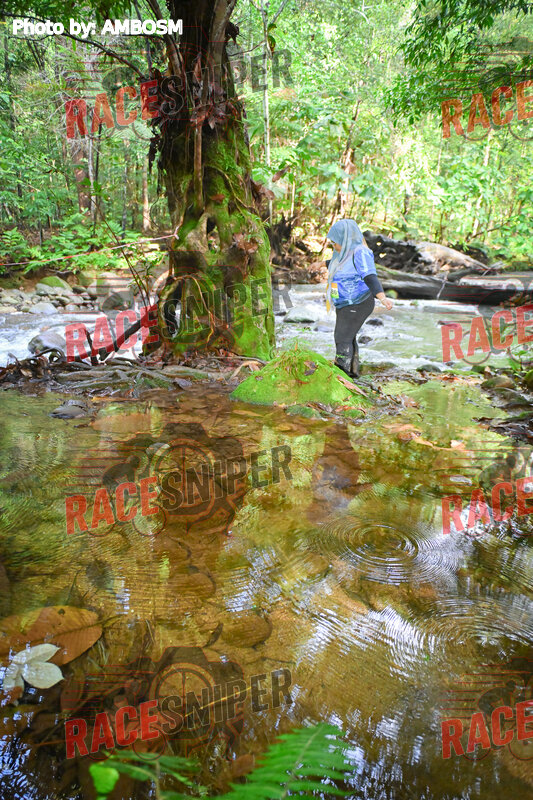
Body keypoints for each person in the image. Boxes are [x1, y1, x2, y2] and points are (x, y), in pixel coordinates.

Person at [326, 219, 393, 378]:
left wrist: (382, 297)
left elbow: (370, 275)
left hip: (357, 302)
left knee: (342, 338)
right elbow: (339, 264)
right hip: (344, 303)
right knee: (349, 337)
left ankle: (342, 376)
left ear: (345, 239)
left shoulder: (360, 252)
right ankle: (353, 373)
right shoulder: (344, 253)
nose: (334, 246)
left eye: (335, 242)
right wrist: (321, 264)